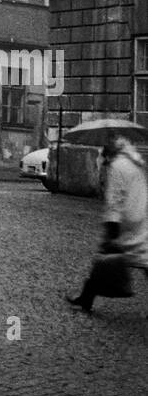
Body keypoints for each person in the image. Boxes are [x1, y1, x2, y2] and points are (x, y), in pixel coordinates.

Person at [67, 134, 148, 313]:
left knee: (104, 259)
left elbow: (114, 200)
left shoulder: (117, 166)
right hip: (140, 219)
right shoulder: (134, 162)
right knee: (144, 263)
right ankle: (86, 298)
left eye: (104, 147)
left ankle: (86, 299)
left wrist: (111, 228)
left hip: (125, 224)